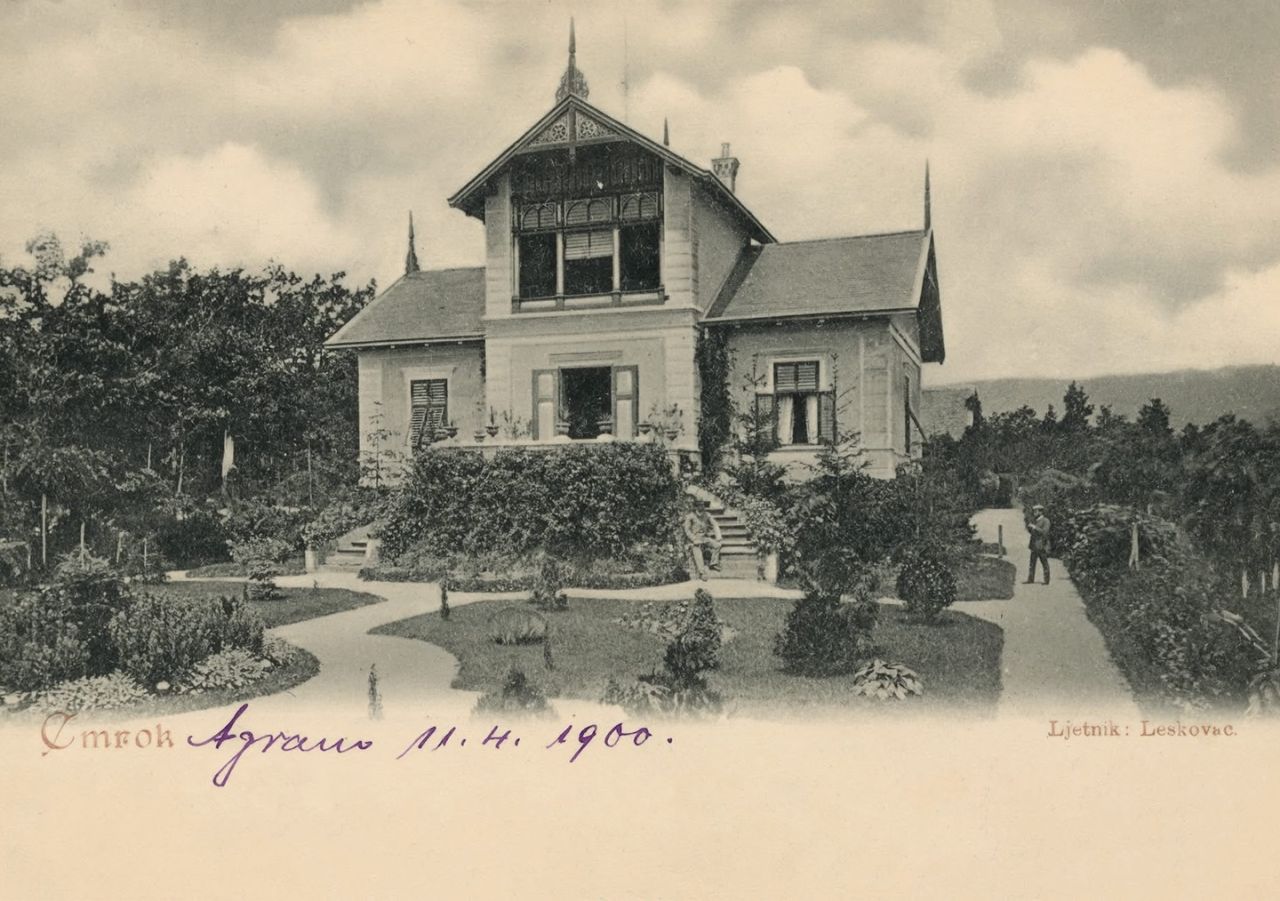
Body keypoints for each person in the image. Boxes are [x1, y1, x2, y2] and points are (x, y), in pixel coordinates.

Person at [682, 505, 723, 580]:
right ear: (695, 507)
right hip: (695, 539)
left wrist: (718, 536)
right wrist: (693, 539)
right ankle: (702, 572)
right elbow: (687, 530)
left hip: (704, 537)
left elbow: (714, 523)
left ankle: (713, 563)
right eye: (698, 506)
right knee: (697, 549)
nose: (700, 509)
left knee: (717, 545)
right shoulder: (690, 516)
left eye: (701, 506)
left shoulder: (707, 515)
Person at [1025, 503, 1051, 585]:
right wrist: (1030, 528)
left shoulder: (1046, 521)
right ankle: (1030, 579)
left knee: (1044, 562)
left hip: (1041, 545)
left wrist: (1035, 527)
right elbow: (1032, 533)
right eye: (1034, 511)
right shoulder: (1035, 520)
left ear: (1040, 512)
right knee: (1032, 563)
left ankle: (1046, 580)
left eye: (1036, 511)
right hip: (1033, 545)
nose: (1034, 513)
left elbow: (1044, 532)